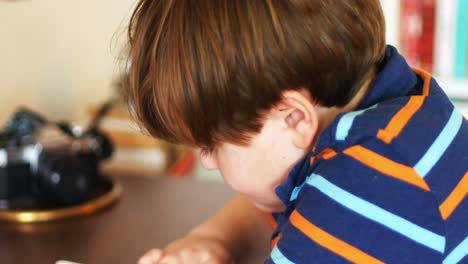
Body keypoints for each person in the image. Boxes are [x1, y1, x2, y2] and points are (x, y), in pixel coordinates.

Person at [126, 0, 468, 263]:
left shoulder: (369, 177)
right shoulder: (402, 104)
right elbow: (287, 198)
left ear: (292, 118)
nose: (207, 162)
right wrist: (211, 239)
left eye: (210, 144)